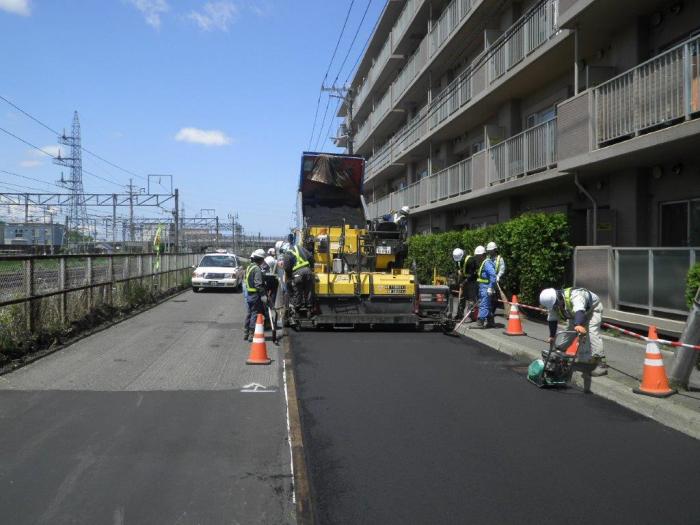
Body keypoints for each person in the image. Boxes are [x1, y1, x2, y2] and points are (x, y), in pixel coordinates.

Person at [539, 287, 608, 376]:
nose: (555, 307)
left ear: (558, 298)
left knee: (592, 333)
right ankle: (559, 354)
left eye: (555, 305)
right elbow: (552, 319)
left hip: (592, 309)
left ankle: (602, 364)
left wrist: (578, 324)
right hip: (576, 313)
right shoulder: (554, 303)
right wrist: (552, 336)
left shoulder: (576, 296)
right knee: (568, 332)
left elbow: (579, 310)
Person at [243, 249, 267, 342]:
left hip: (249, 294)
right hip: (255, 295)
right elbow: (258, 284)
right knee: (254, 314)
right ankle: (251, 334)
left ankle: (246, 333)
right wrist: (263, 295)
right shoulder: (257, 269)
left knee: (249, 313)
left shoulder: (250, 267)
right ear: (261, 259)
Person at [453, 247, 479, 320]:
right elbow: (458, 268)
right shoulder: (458, 259)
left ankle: (472, 316)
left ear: (463, 255)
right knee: (461, 298)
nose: (458, 261)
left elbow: (472, 274)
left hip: (472, 281)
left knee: (471, 299)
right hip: (464, 280)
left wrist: (463, 282)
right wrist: (458, 272)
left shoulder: (470, 260)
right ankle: (460, 314)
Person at [473, 245, 496, 328]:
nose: (476, 258)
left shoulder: (487, 263)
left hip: (486, 288)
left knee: (483, 305)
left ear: (481, 255)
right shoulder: (484, 263)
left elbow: (493, 275)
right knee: (487, 305)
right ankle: (491, 321)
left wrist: (490, 287)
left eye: (477, 256)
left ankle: (480, 322)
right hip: (483, 287)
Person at [486, 241, 506, 323]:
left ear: (495, 250)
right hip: (488, 281)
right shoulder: (488, 258)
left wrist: (498, 276)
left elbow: (502, 269)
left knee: (494, 298)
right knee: (488, 297)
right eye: (489, 250)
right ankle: (488, 313)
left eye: (491, 250)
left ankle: (491, 313)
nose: (490, 252)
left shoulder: (499, 259)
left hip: (495, 281)